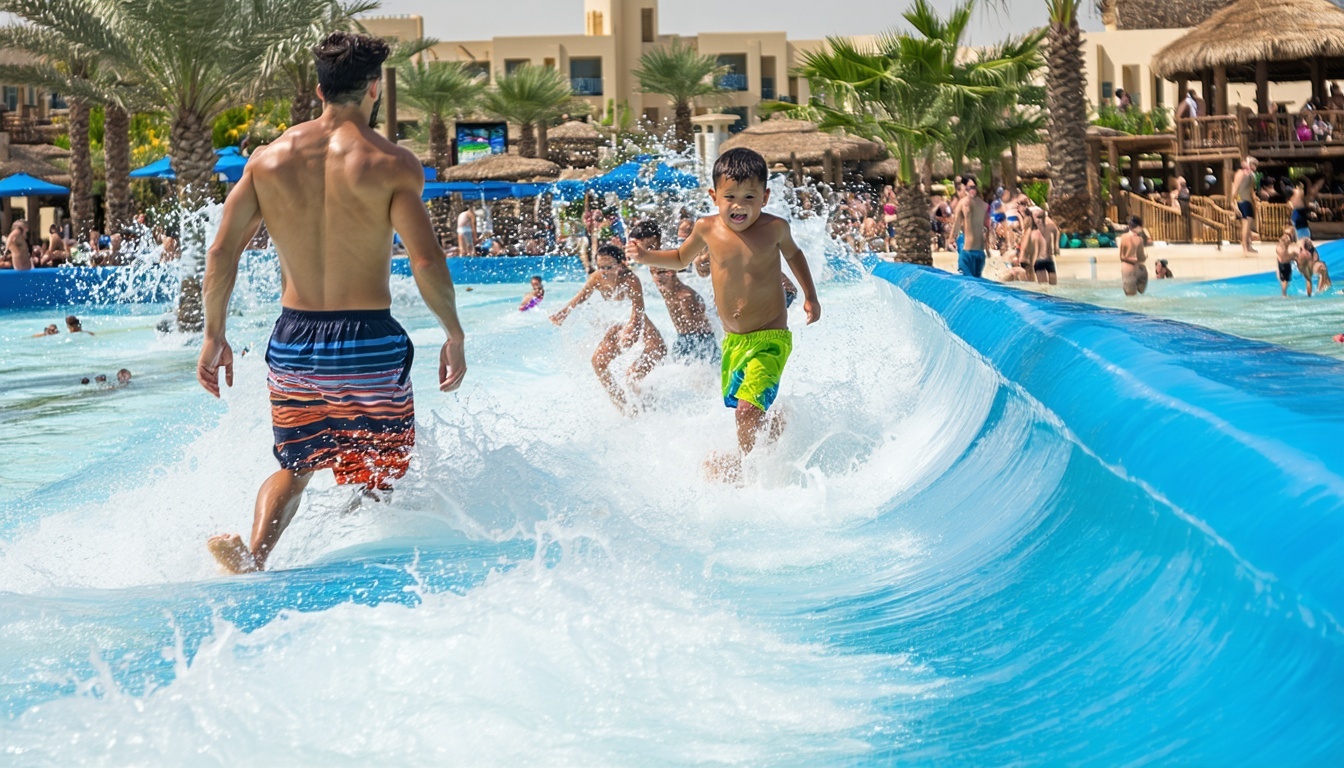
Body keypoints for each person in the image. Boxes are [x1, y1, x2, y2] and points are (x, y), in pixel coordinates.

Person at [197, 31, 467, 575]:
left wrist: (213, 334)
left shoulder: (267, 161)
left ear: (319, 90)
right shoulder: (391, 162)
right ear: (373, 89)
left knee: (295, 466)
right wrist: (453, 333)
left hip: (295, 342)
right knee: (380, 468)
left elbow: (223, 251)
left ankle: (255, 555)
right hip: (367, 340)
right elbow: (427, 261)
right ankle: (366, 571)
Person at [628, 147, 820, 480]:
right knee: (747, 410)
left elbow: (795, 256)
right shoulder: (705, 229)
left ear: (765, 196)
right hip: (734, 342)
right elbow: (678, 259)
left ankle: (748, 472)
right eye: (729, 196)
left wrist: (810, 296)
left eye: (749, 196)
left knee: (745, 412)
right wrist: (646, 257)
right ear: (714, 195)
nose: (739, 205)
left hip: (769, 338)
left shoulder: (774, 229)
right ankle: (778, 425)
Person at [550, 243, 666, 414]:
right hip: (617, 322)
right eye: (600, 267)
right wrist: (563, 313)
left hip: (636, 319)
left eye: (608, 267)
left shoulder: (631, 280)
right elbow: (581, 297)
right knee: (598, 362)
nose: (604, 271)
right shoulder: (597, 277)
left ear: (621, 264)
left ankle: (646, 400)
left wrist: (632, 329)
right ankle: (622, 405)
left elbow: (639, 309)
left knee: (653, 353)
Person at [630, 220, 718, 365]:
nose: (641, 251)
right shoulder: (652, 259)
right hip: (683, 336)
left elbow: (683, 258)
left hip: (700, 336)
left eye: (646, 246)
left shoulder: (665, 256)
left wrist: (703, 255)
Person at [949, 179, 990, 278]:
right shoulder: (984, 205)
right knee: (977, 282)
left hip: (968, 252)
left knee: (966, 282)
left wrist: (951, 239)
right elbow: (988, 228)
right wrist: (988, 249)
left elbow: (957, 224)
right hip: (980, 254)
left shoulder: (963, 203)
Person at [1231, 156, 1259, 256]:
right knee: (1245, 225)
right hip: (1242, 201)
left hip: (1248, 201)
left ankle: (1249, 245)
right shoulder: (1241, 173)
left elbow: (1251, 190)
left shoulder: (1250, 174)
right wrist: (1233, 203)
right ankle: (1244, 248)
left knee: (1249, 225)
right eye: (1253, 164)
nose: (1255, 166)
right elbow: (1235, 188)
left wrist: (1254, 199)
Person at [1119, 215, 1150, 296]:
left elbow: (1122, 255)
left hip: (1126, 268)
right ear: (1139, 226)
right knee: (1141, 292)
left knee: (1130, 296)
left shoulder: (1123, 237)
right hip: (1137, 267)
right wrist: (1145, 257)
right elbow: (1141, 257)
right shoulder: (1139, 239)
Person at [1024, 211, 1054, 285]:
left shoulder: (1047, 230)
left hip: (1047, 260)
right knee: (1045, 286)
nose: (1039, 220)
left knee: (1049, 286)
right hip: (1040, 261)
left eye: (1040, 217)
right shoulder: (1031, 233)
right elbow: (1031, 251)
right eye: (1037, 217)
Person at [1275, 227, 1298, 297]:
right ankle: (1284, 294)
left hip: (1281, 262)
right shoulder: (1288, 240)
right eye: (1292, 232)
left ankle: (1284, 293)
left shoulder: (1282, 240)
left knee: (1284, 280)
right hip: (1285, 263)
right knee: (1285, 280)